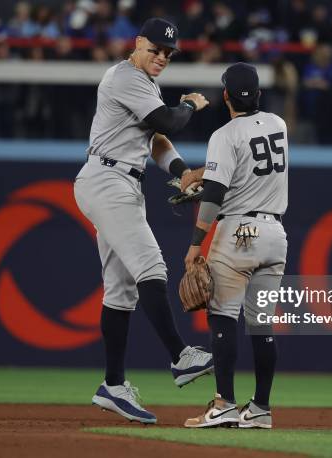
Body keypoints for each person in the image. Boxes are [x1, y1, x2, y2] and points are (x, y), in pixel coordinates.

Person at [73, 17, 213, 425]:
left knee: (120, 292)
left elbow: (156, 139)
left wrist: (183, 171)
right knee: (151, 265)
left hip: (121, 182)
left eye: (168, 53)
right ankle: (181, 356)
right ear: (138, 43)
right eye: (156, 49)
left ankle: (113, 386)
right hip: (107, 179)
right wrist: (189, 104)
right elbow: (170, 121)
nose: (162, 57)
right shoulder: (125, 77)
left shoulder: (146, 86)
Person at [182, 63, 288, 428]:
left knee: (222, 315)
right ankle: (260, 409)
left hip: (240, 231)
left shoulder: (223, 135)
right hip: (275, 235)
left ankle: (224, 403)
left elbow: (215, 194)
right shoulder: (279, 125)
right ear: (258, 94)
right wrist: (205, 174)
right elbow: (245, 167)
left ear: (225, 95)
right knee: (262, 326)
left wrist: (197, 242)